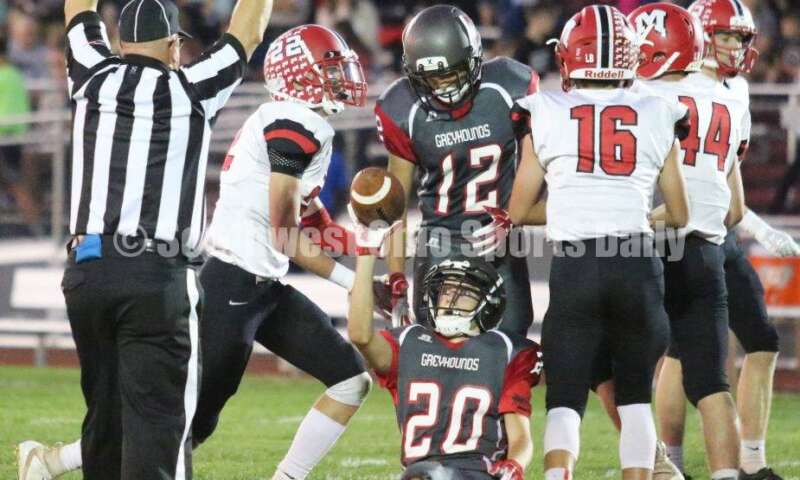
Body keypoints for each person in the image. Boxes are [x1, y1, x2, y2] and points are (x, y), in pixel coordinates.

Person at [18, 23, 374, 480]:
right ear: (298, 74)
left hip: (262, 286)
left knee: (350, 378)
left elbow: (309, 216)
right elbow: (287, 234)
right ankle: (52, 462)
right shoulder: (295, 123)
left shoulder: (294, 121)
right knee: (182, 427)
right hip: (232, 285)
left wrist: (366, 248)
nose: (342, 78)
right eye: (330, 69)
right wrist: (354, 281)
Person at [505, 5, 690, 479]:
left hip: (577, 266)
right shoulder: (659, 109)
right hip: (637, 264)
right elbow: (679, 213)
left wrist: (573, 205)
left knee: (565, 398)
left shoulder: (544, 109)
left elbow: (518, 210)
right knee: (635, 399)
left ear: (570, 55)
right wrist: (630, 209)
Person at [652, 1, 799, 479]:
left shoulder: (733, 89)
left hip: (716, 229)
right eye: (727, 36)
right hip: (679, 233)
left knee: (761, 339)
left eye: (741, 38)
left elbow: (723, 186)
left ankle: (751, 461)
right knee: (685, 356)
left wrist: (757, 228)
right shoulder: (664, 85)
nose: (736, 46)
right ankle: (673, 464)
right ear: (698, 35)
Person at [628, 4, 750, 480]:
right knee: (711, 384)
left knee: (621, 375)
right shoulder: (729, 100)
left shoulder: (644, 95)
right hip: (704, 251)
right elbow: (735, 209)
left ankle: (665, 468)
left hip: (647, 247)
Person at [375, 4, 538, 337]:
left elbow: (536, 165)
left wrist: (514, 215)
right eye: (432, 78)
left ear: (474, 58)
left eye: (450, 73)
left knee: (510, 347)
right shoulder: (404, 109)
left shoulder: (509, 87)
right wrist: (396, 278)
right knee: (439, 353)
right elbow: (396, 203)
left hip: (500, 237)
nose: (443, 86)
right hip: (440, 242)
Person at [347, 213, 542, 480]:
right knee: (427, 475)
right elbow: (360, 336)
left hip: (480, 473)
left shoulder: (505, 351)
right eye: (445, 290)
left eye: (463, 292)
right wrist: (366, 251)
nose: (450, 297)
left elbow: (521, 436)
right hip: (425, 472)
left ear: (488, 304)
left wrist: (514, 466)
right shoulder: (409, 342)